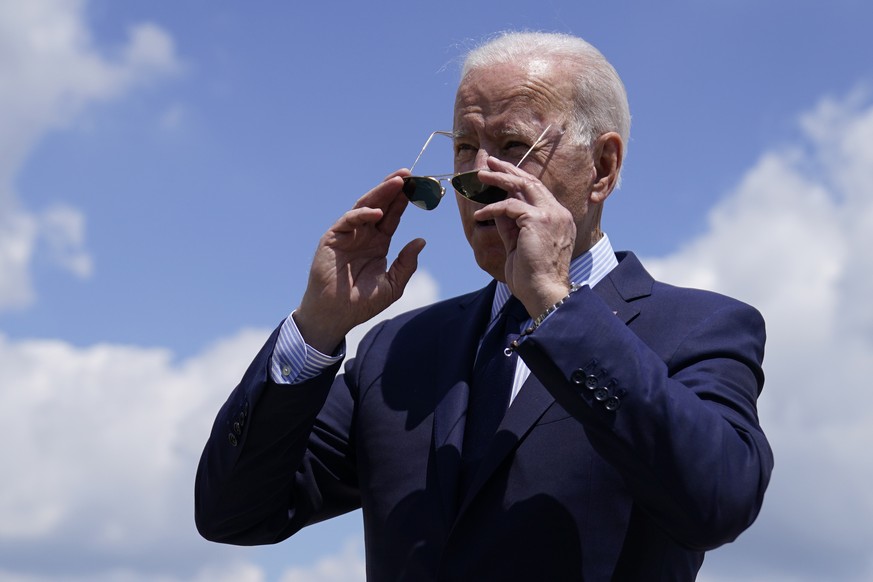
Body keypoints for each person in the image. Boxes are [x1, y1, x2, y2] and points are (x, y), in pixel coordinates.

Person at [195, 31, 773, 581]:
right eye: (466, 148)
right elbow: (234, 512)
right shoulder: (396, 352)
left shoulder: (701, 329)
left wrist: (557, 305)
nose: (475, 179)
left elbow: (717, 501)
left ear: (603, 167)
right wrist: (316, 329)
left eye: (514, 148)